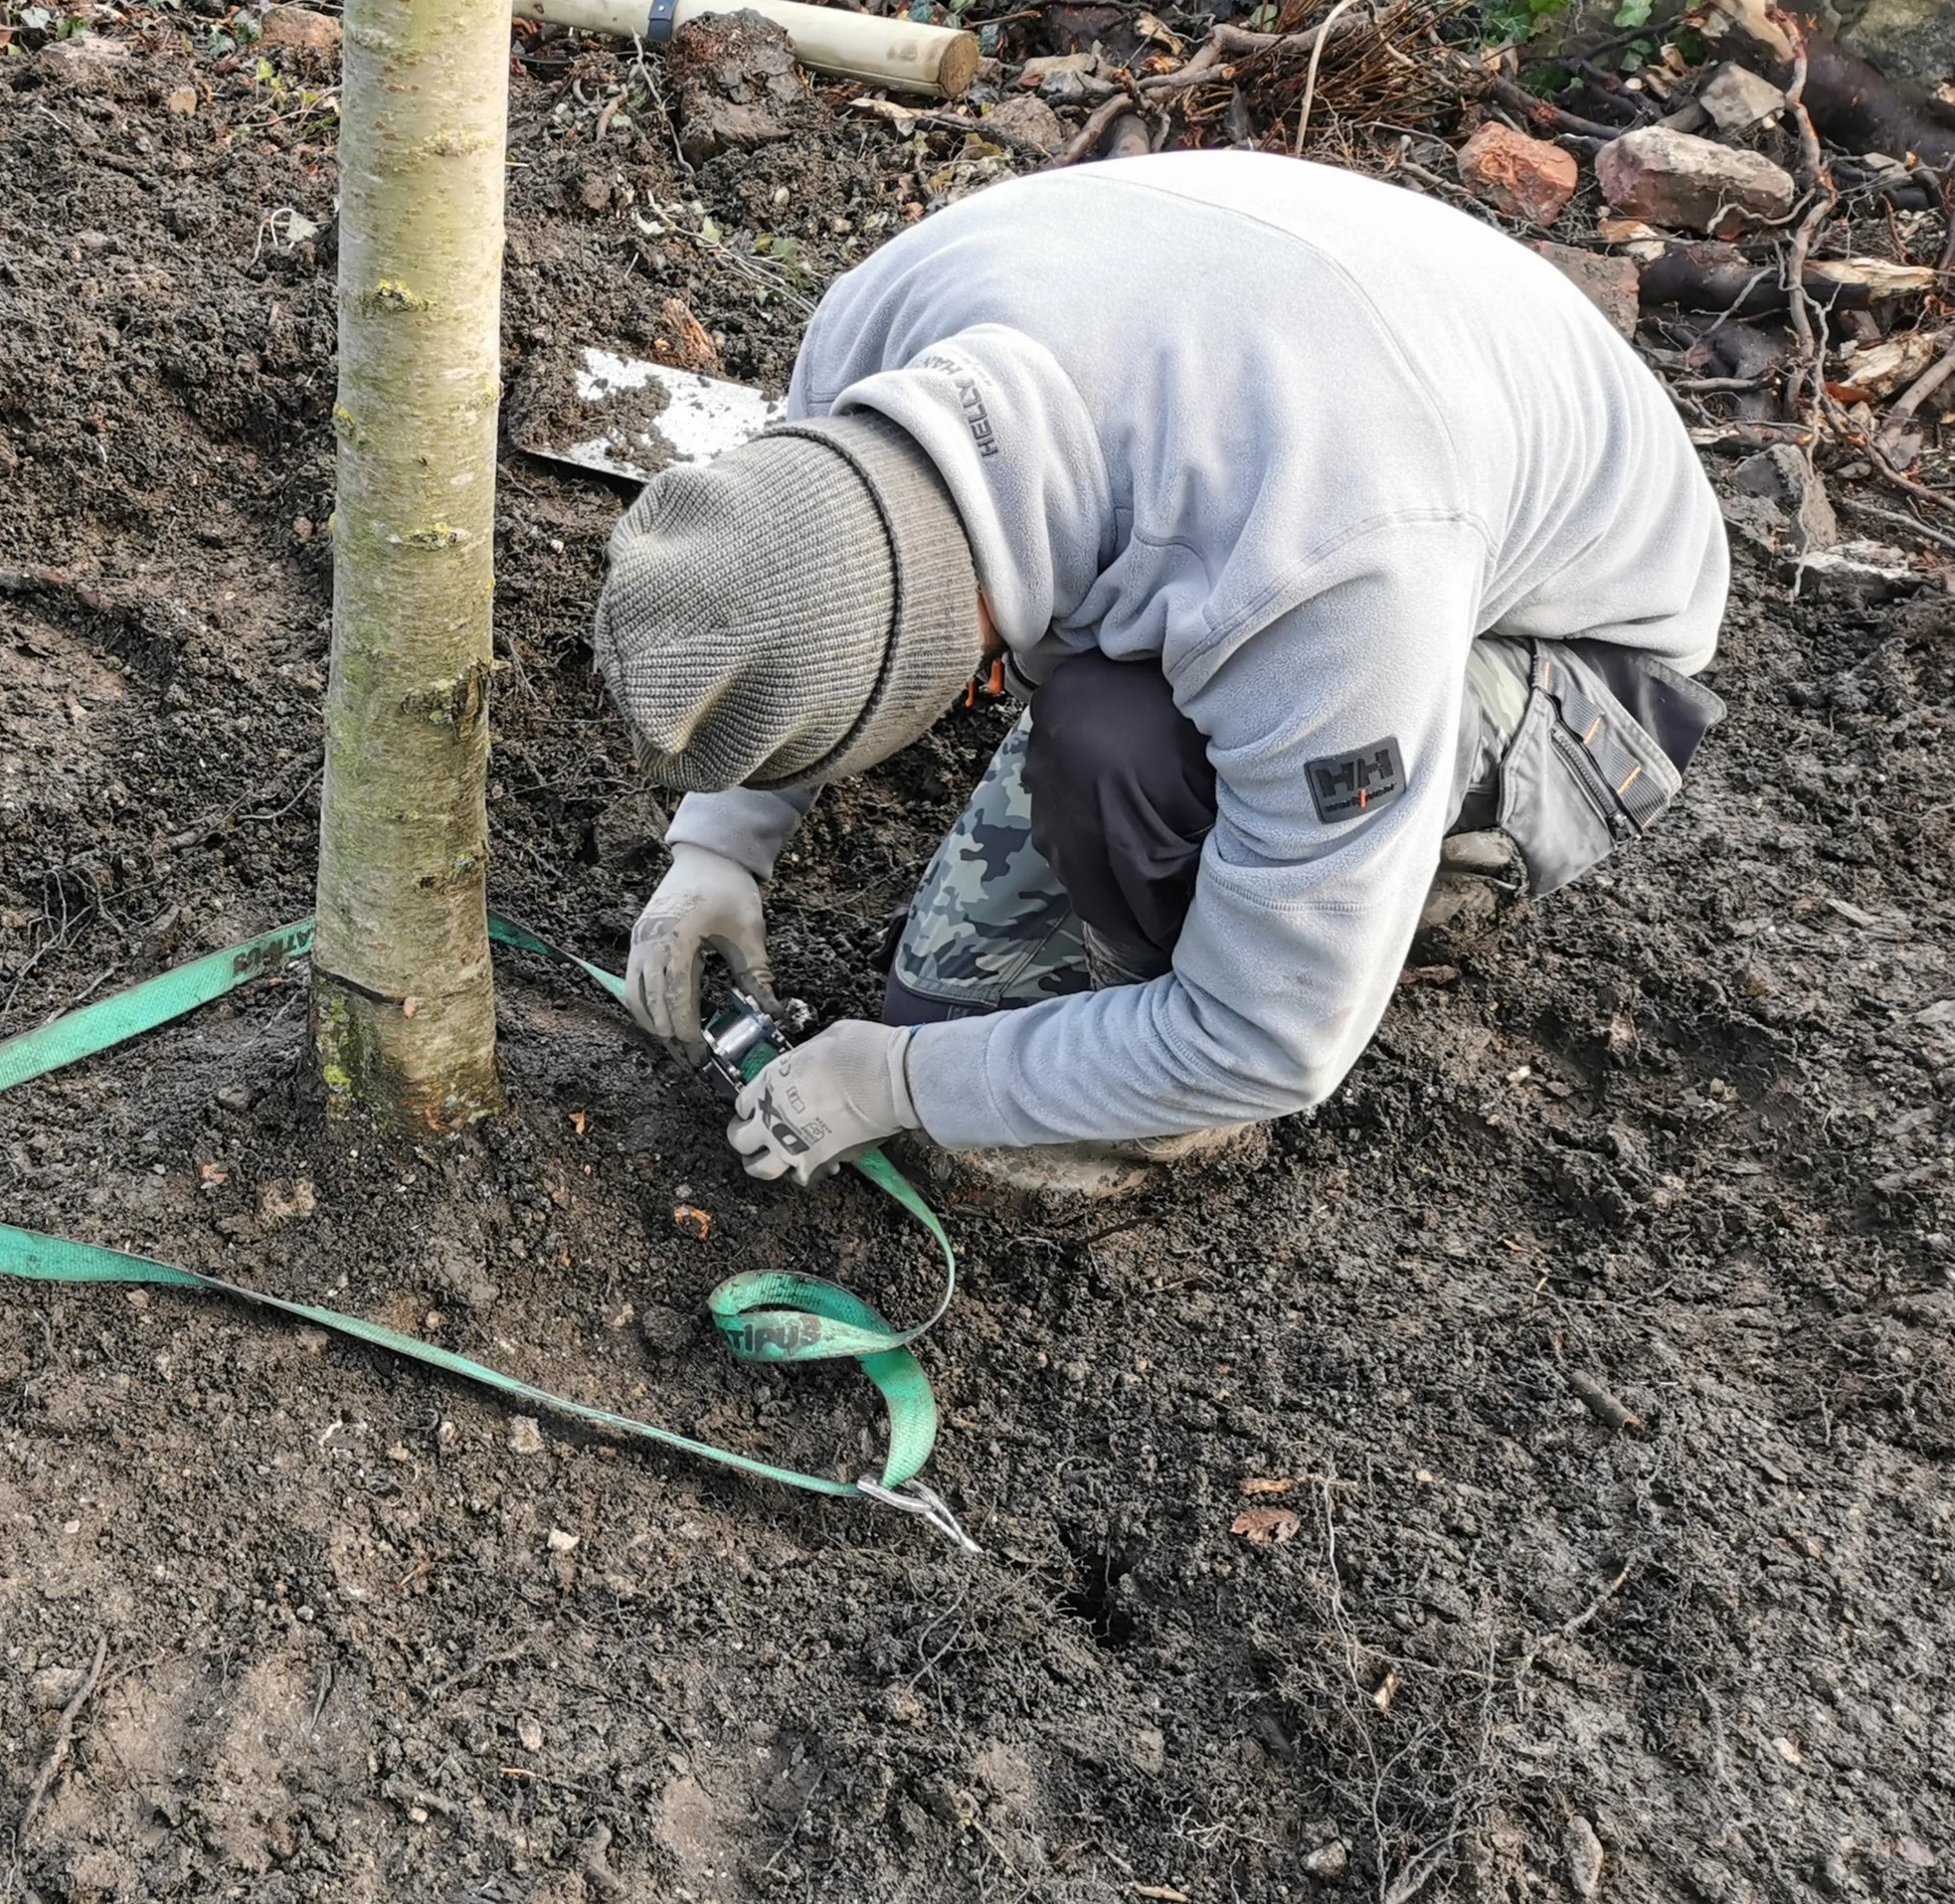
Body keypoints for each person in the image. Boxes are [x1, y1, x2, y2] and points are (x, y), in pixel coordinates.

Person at [589, 150, 1728, 1191]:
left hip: (1576, 664)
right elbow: (796, 572)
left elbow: (1270, 1041)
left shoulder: (1320, 579)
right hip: (1355, 392)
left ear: (971, 650)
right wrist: (716, 852)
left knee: (1113, 752)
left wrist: (901, 1081)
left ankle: (1394, 883)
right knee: (960, 981)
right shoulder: (880, 326)